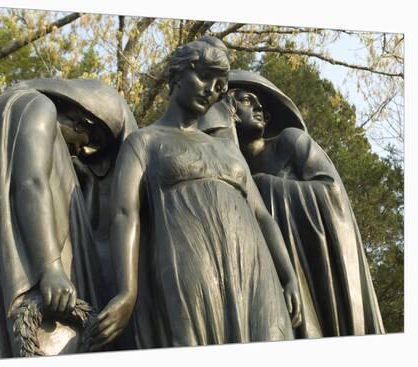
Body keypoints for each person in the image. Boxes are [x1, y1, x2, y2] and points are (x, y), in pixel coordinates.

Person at [89, 36, 301, 350]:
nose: (210, 89)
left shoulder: (227, 149)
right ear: (176, 74)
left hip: (256, 269)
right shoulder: (145, 142)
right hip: (189, 264)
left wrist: (288, 275)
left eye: (219, 86)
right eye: (203, 76)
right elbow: (124, 214)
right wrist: (127, 292)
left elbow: (261, 216)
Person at [0, 78, 137, 359]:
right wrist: (51, 268)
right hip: (40, 285)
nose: (85, 151)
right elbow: (32, 182)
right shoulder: (39, 107)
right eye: (93, 140)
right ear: (82, 120)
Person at [226, 70, 385, 337]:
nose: (258, 108)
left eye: (260, 105)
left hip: (315, 270)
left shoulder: (290, 141)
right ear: (226, 111)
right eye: (245, 100)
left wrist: (265, 186)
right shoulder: (229, 168)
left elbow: (333, 194)